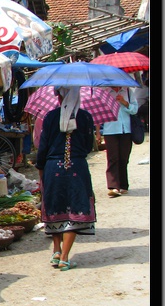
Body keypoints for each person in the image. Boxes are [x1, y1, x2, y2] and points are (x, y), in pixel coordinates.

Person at [35, 87, 96, 271]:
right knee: (74, 211)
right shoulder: (85, 117)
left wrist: (40, 166)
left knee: (55, 208)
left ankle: (56, 250)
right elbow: (87, 146)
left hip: (53, 167)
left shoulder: (50, 117)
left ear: (60, 96)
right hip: (77, 166)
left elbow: (43, 146)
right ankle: (65, 257)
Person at [101, 86, 138, 197]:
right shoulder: (105, 92)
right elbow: (100, 111)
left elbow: (134, 109)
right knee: (113, 158)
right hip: (110, 129)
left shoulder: (127, 91)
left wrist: (124, 103)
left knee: (123, 158)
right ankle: (113, 186)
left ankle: (123, 185)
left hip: (126, 129)